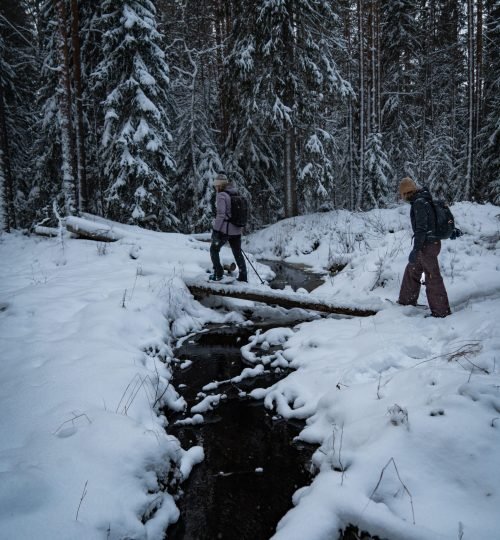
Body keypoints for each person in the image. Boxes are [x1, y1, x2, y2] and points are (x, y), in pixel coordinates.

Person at [397, 177, 451, 318]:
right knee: (412, 270)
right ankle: (406, 302)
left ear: (406, 193)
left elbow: (421, 229)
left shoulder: (419, 203)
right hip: (429, 244)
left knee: (432, 277)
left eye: (402, 194)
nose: (402, 197)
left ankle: (441, 312)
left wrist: (416, 249)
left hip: (427, 245)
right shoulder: (423, 199)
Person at [209, 173, 247, 282]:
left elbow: (221, 215)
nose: (215, 187)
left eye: (216, 185)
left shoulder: (221, 195)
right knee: (237, 252)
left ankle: (218, 273)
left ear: (220, 185)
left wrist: (216, 230)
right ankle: (243, 275)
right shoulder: (235, 193)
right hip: (237, 230)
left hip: (225, 231)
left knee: (214, 249)